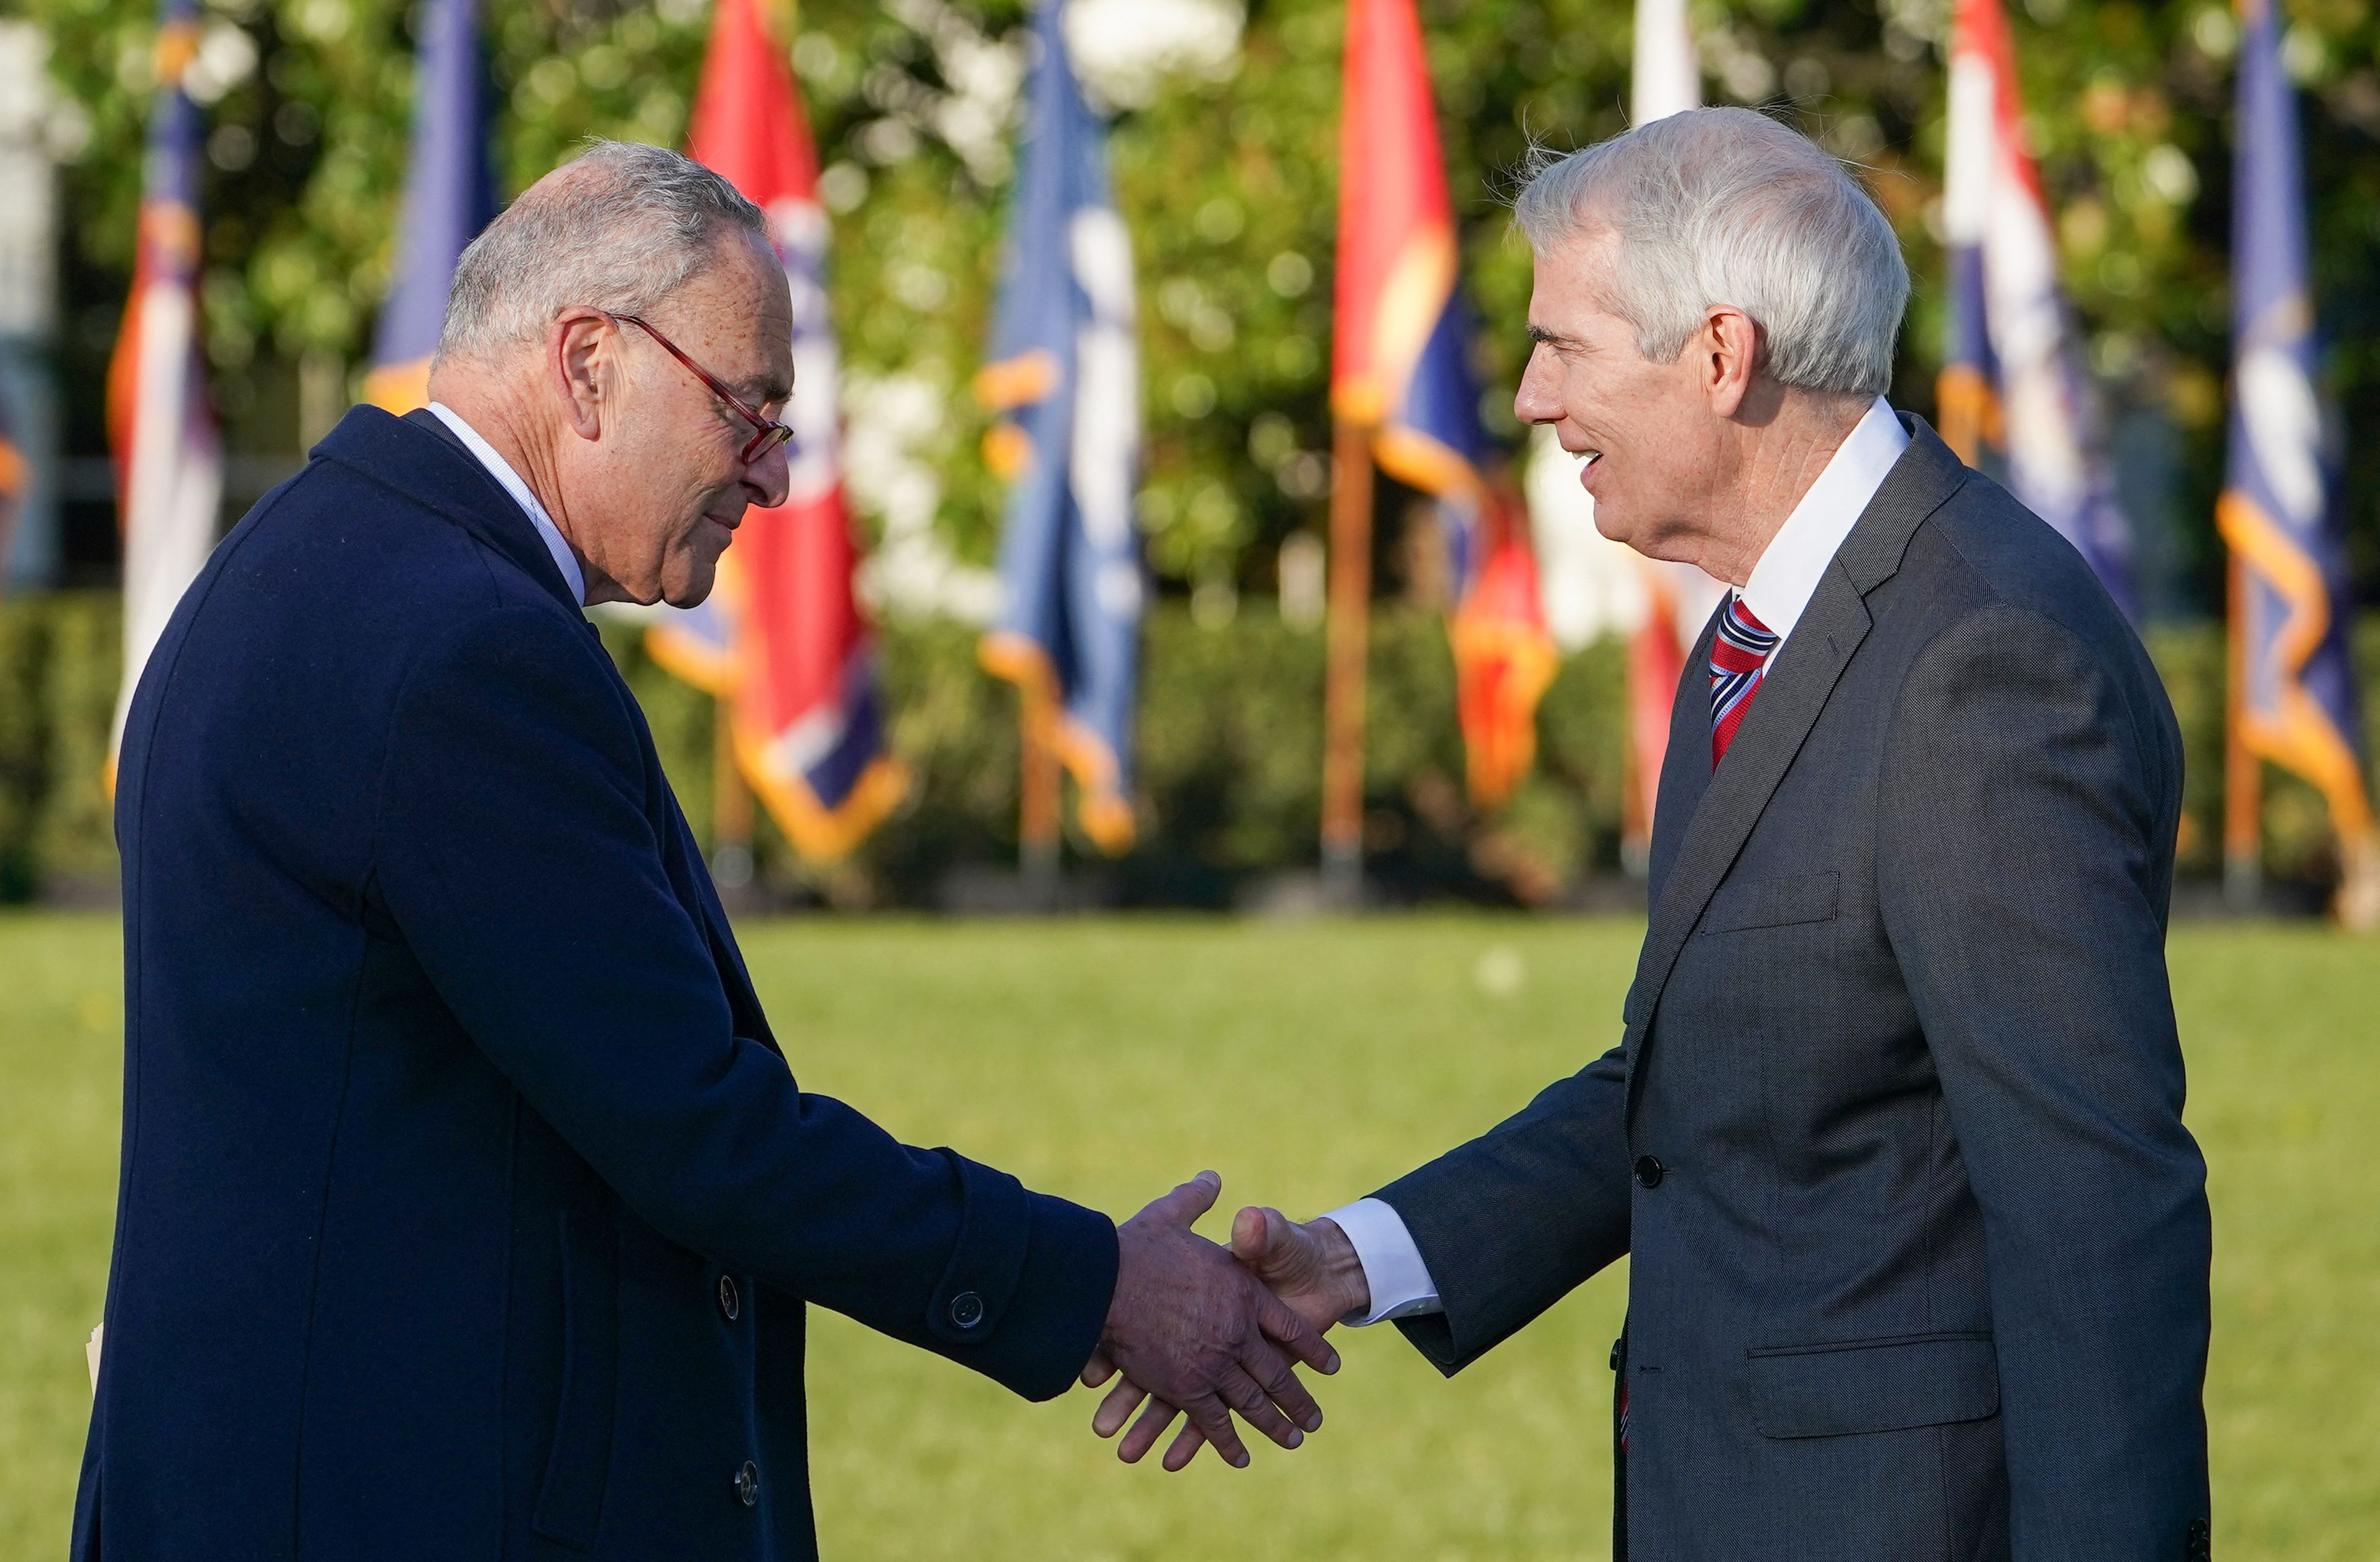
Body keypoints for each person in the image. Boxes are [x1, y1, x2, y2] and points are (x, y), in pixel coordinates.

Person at [75, 141, 1333, 1561]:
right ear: (589, 362)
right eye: (752, 409)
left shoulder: (330, 562)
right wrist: (1095, 1280)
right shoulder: (456, 644)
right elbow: (696, 1126)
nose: (779, 476)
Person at [1096, 109, 2214, 1561]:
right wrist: (1356, 1259)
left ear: (1721, 352)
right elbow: (1703, 1078)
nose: (1530, 396)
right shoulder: (1762, 631)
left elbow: (2096, 1207)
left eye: (1565, 344)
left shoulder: (1980, 662)